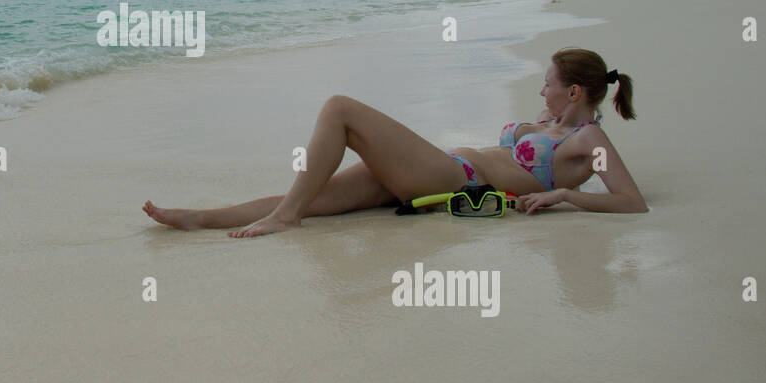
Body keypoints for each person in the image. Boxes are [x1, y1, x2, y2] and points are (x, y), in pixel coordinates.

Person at [142, 46, 647, 238]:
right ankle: (202, 217)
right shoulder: (551, 121)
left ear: (575, 92)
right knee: (311, 194)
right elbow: (538, 125)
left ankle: (284, 219)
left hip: (455, 181)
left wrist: (563, 195)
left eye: (549, 83)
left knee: (340, 108)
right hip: (438, 168)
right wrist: (542, 122)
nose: (541, 91)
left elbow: (632, 202)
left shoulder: (588, 139)